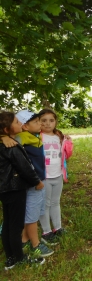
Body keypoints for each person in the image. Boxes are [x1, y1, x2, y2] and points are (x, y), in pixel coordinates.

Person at [0, 111, 45, 269]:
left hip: (4, 190)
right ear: (7, 130)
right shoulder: (12, 146)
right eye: (17, 122)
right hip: (14, 188)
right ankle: (19, 258)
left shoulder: (4, 142)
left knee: (8, 223)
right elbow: (25, 168)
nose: (21, 124)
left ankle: (10, 257)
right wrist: (37, 182)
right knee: (16, 225)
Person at [38, 108, 73, 245]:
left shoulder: (59, 136)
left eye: (51, 120)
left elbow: (67, 155)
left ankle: (57, 228)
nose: (47, 124)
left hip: (58, 175)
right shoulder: (37, 137)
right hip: (44, 177)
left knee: (55, 202)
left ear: (56, 122)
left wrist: (69, 143)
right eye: (44, 121)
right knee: (45, 204)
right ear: (38, 122)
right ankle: (46, 231)